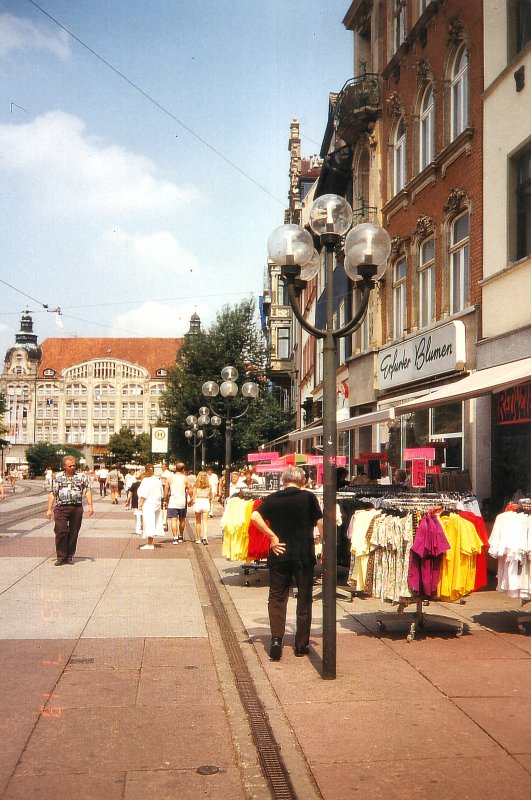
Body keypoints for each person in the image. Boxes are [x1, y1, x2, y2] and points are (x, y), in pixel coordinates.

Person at [250, 466, 323, 661]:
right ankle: (301, 644)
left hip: (279, 552)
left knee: (277, 597)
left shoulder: (273, 498)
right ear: (302, 481)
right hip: (303, 553)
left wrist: (272, 536)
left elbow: (254, 516)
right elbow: (320, 522)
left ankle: (276, 639)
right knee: (304, 597)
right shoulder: (308, 498)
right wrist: (323, 542)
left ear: (284, 480)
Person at [45, 455, 94, 566]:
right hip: (61, 508)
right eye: (69, 466)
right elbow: (52, 493)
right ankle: (61, 556)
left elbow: (87, 491)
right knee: (60, 531)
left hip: (76, 508)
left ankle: (69, 555)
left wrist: (90, 505)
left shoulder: (82, 477)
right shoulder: (57, 477)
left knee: (73, 532)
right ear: (64, 466)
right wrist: (49, 509)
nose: (72, 467)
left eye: (74, 465)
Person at [137, 464, 163, 551]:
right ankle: (150, 541)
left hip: (148, 503)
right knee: (154, 521)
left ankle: (150, 543)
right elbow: (161, 493)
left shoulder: (146, 480)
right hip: (156, 502)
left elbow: (144, 494)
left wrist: (140, 504)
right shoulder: (157, 480)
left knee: (148, 522)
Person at [164, 462, 191, 544]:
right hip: (182, 501)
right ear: (183, 469)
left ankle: (175, 537)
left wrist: (165, 501)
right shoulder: (186, 479)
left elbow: (166, 492)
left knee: (173, 519)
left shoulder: (169, 479)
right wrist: (191, 499)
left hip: (173, 501)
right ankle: (181, 535)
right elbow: (190, 490)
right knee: (182, 519)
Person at [192, 470, 213, 545]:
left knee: (198, 521)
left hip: (198, 501)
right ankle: (205, 536)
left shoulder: (196, 485)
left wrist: (191, 501)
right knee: (205, 521)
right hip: (205, 501)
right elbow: (211, 496)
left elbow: (193, 496)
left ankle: (198, 538)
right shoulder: (209, 486)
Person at [129, 470, 143, 534]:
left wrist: (127, 500)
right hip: (143, 500)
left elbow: (130, 493)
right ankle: (142, 527)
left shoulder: (134, 484)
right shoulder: (144, 484)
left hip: (135, 500)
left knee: (137, 515)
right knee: (143, 515)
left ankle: (138, 529)